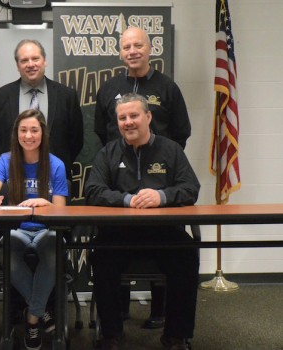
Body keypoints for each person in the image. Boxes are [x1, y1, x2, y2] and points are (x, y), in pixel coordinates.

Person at [85, 94, 200, 350]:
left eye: (134, 115)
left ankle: (176, 336)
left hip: (164, 233)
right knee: (101, 256)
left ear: (148, 117)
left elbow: (191, 188)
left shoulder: (171, 150)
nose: (128, 122)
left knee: (187, 253)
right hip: (119, 235)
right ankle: (112, 335)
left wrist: (161, 196)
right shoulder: (108, 153)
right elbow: (92, 190)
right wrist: (126, 200)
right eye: (122, 118)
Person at [94, 26, 192, 328]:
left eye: (138, 45)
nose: (132, 51)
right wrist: (124, 188)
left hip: (160, 187)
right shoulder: (109, 89)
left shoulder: (167, 87)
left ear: (150, 49)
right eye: (126, 47)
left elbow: (182, 131)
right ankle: (114, 324)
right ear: (121, 52)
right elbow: (101, 130)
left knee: (183, 253)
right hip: (119, 183)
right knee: (107, 253)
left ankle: (170, 326)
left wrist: (162, 180)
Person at [0, 109, 68, 350]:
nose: (28, 135)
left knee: (53, 255)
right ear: (16, 134)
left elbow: (61, 209)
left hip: (46, 231)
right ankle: (41, 312)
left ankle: (32, 319)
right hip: (16, 230)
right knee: (6, 254)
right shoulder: (5, 161)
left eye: (34, 130)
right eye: (23, 130)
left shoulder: (56, 164)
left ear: (43, 133)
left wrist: (46, 203)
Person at [0, 39, 83, 180]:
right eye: (24, 60)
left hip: (55, 179)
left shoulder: (67, 96)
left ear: (44, 61)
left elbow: (76, 141)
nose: (30, 64)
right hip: (12, 178)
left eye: (35, 58)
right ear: (17, 66)